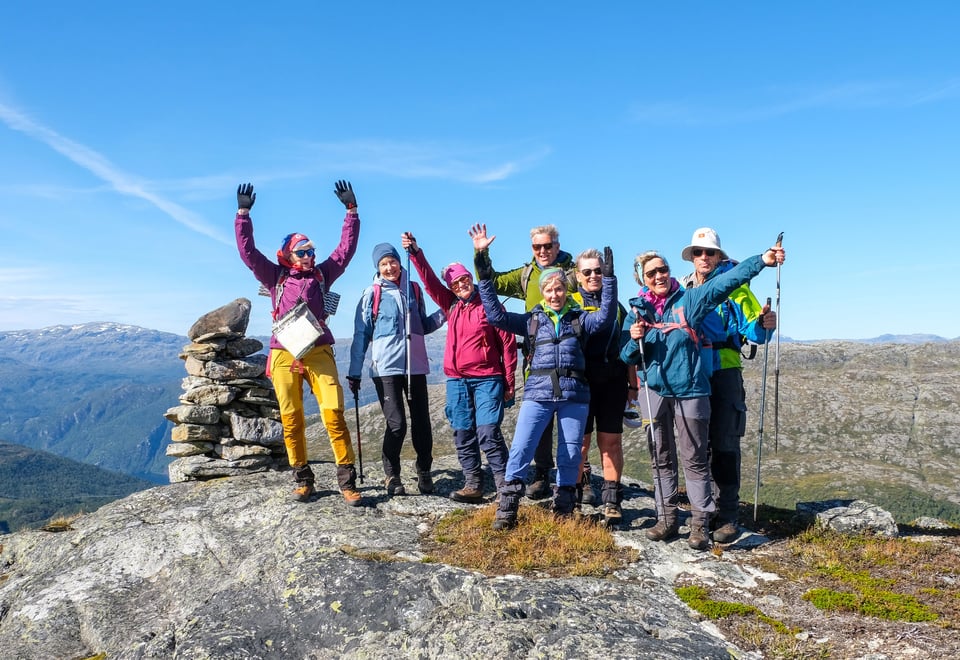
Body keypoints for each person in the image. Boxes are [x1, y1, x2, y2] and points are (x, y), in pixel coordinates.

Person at [620, 243, 785, 550]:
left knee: (695, 458)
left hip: (691, 389)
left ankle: (699, 524)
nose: (658, 276)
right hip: (654, 390)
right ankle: (666, 519)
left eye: (663, 270)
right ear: (642, 278)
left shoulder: (690, 299)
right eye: (651, 272)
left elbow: (727, 282)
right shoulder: (637, 310)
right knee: (661, 457)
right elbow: (627, 355)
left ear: (670, 272)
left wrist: (762, 260)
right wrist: (633, 340)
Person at [234, 181, 362, 506]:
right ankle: (303, 479)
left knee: (333, 411)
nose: (309, 256)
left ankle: (347, 481)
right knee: (291, 418)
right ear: (289, 254)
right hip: (283, 352)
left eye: (311, 251)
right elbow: (248, 253)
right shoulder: (274, 276)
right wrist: (243, 214)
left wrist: (352, 212)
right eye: (302, 252)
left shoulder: (323, 274)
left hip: (318, 350)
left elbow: (345, 251)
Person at [475, 246, 617, 530]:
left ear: (566, 291)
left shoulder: (580, 318)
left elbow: (606, 318)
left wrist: (610, 280)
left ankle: (563, 510)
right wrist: (484, 274)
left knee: (570, 452)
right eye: (549, 290)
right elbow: (495, 317)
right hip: (538, 394)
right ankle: (507, 508)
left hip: (574, 395)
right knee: (521, 449)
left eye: (559, 289)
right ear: (542, 292)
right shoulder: (532, 320)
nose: (554, 294)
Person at [402, 231, 516, 503]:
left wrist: (509, 382)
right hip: (456, 380)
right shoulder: (451, 304)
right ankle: (473, 484)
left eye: (465, 279)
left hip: (488, 377)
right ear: (451, 287)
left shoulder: (488, 304)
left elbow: (508, 343)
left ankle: (505, 486)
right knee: (463, 431)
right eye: (455, 283)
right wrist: (416, 253)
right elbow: (429, 282)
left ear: (471, 278)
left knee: (488, 431)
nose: (462, 285)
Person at [679, 228, 776, 543]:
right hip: (693, 373)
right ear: (692, 257)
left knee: (724, 444)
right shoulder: (682, 288)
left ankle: (729, 516)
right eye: (698, 252)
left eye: (710, 252)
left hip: (725, 370)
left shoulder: (736, 288)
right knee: (698, 446)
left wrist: (764, 325)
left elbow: (755, 332)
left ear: (719, 256)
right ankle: (704, 513)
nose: (704, 258)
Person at [468, 222, 576, 500]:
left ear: (557, 246)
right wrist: (481, 255)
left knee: (575, 423)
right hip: (536, 357)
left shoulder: (573, 274)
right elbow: (491, 280)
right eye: (537, 246)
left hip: (572, 357)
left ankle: (578, 477)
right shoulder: (526, 275)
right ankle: (541, 474)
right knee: (540, 417)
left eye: (548, 246)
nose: (543, 251)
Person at [348, 242, 445, 496]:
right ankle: (392, 475)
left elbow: (422, 326)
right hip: (386, 369)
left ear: (399, 263)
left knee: (422, 423)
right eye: (383, 264)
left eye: (392, 261)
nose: (389, 267)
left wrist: (445, 312)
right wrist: (354, 371)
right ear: (377, 268)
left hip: (416, 367)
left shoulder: (413, 288)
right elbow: (361, 334)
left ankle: (424, 471)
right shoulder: (372, 293)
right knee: (397, 424)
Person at [571, 248, 632, 525]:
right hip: (580, 384)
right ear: (577, 276)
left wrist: (633, 385)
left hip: (613, 381)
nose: (594, 275)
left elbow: (627, 348)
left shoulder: (618, 308)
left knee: (611, 443)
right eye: (588, 271)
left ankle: (611, 500)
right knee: (578, 445)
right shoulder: (570, 303)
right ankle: (572, 498)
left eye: (599, 270)